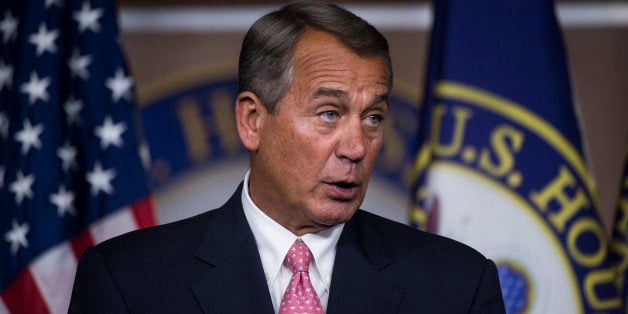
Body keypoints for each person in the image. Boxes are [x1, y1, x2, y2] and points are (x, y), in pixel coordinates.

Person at [69, 1, 506, 313]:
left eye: (373, 118)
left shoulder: (457, 285)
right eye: (329, 114)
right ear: (253, 121)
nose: (356, 147)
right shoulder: (127, 282)